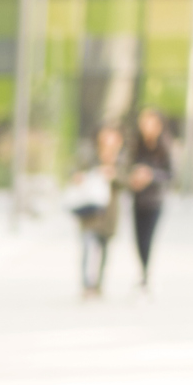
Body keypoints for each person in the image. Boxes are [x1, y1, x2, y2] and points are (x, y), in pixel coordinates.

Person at [72, 123, 124, 296]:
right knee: (87, 246)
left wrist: (114, 175)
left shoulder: (122, 158)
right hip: (90, 210)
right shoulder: (88, 155)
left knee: (105, 248)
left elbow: (127, 182)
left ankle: (99, 283)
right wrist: (81, 176)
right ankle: (87, 284)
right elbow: (74, 170)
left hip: (109, 212)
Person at [127, 107, 173, 287]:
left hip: (155, 201)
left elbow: (171, 174)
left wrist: (151, 175)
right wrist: (134, 176)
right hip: (138, 199)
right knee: (138, 240)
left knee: (147, 239)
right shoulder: (136, 145)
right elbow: (127, 166)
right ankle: (142, 272)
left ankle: (145, 276)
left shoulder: (165, 147)